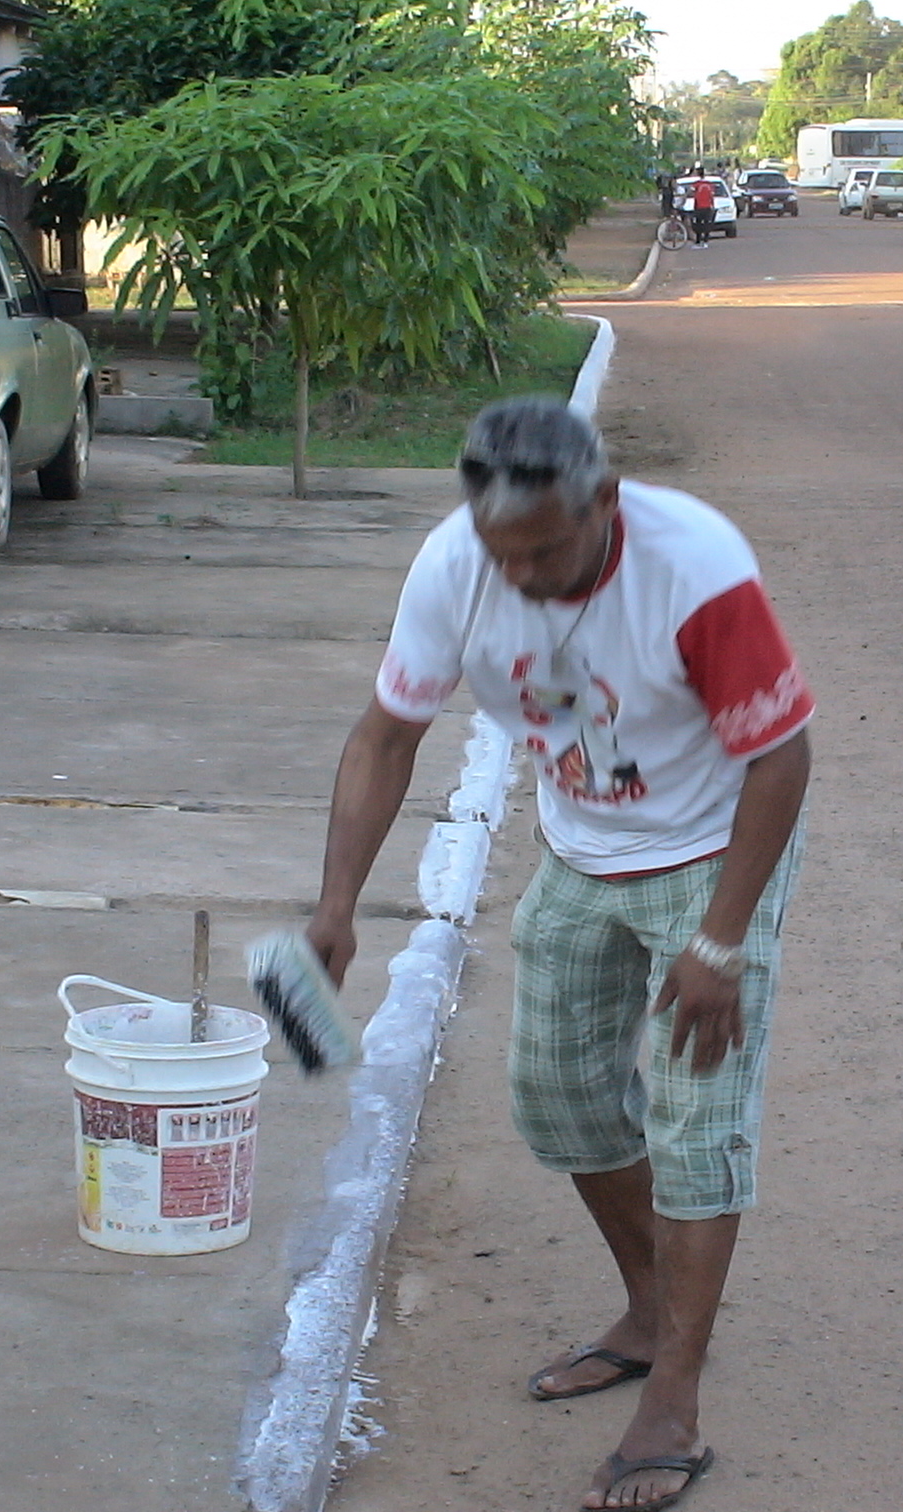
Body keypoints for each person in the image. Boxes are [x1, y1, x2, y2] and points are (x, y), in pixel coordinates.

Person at [307, 397, 813, 1512]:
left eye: (547, 550)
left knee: (698, 1122)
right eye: (505, 554)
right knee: (559, 1097)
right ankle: (649, 1306)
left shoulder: (696, 569)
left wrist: (720, 943)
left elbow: (782, 761)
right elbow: (386, 735)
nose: (524, 578)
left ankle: (672, 1402)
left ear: (605, 503)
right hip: (584, 850)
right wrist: (337, 904)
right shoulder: (457, 568)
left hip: (714, 845)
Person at [688, 174, 717, 244]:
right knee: (707, 223)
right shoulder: (709, 185)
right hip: (707, 206)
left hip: (699, 207)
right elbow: (711, 196)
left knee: (698, 223)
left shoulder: (696, 184)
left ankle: (698, 238)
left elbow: (692, 192)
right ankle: (706, 238)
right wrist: (713, 205)